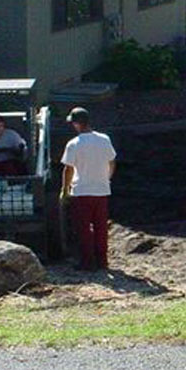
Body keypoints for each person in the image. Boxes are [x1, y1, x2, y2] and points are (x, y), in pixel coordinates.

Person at [60, 107, 117, 271]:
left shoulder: (74, 144)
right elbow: (112, 161)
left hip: (82, 191)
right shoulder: (104, 139)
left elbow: (68, 169)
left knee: (83, 228)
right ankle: (102, 261)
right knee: (101, 227)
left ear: (77, 124)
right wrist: (106, 178)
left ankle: (87, 261)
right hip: (101, 190)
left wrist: (65, 189)